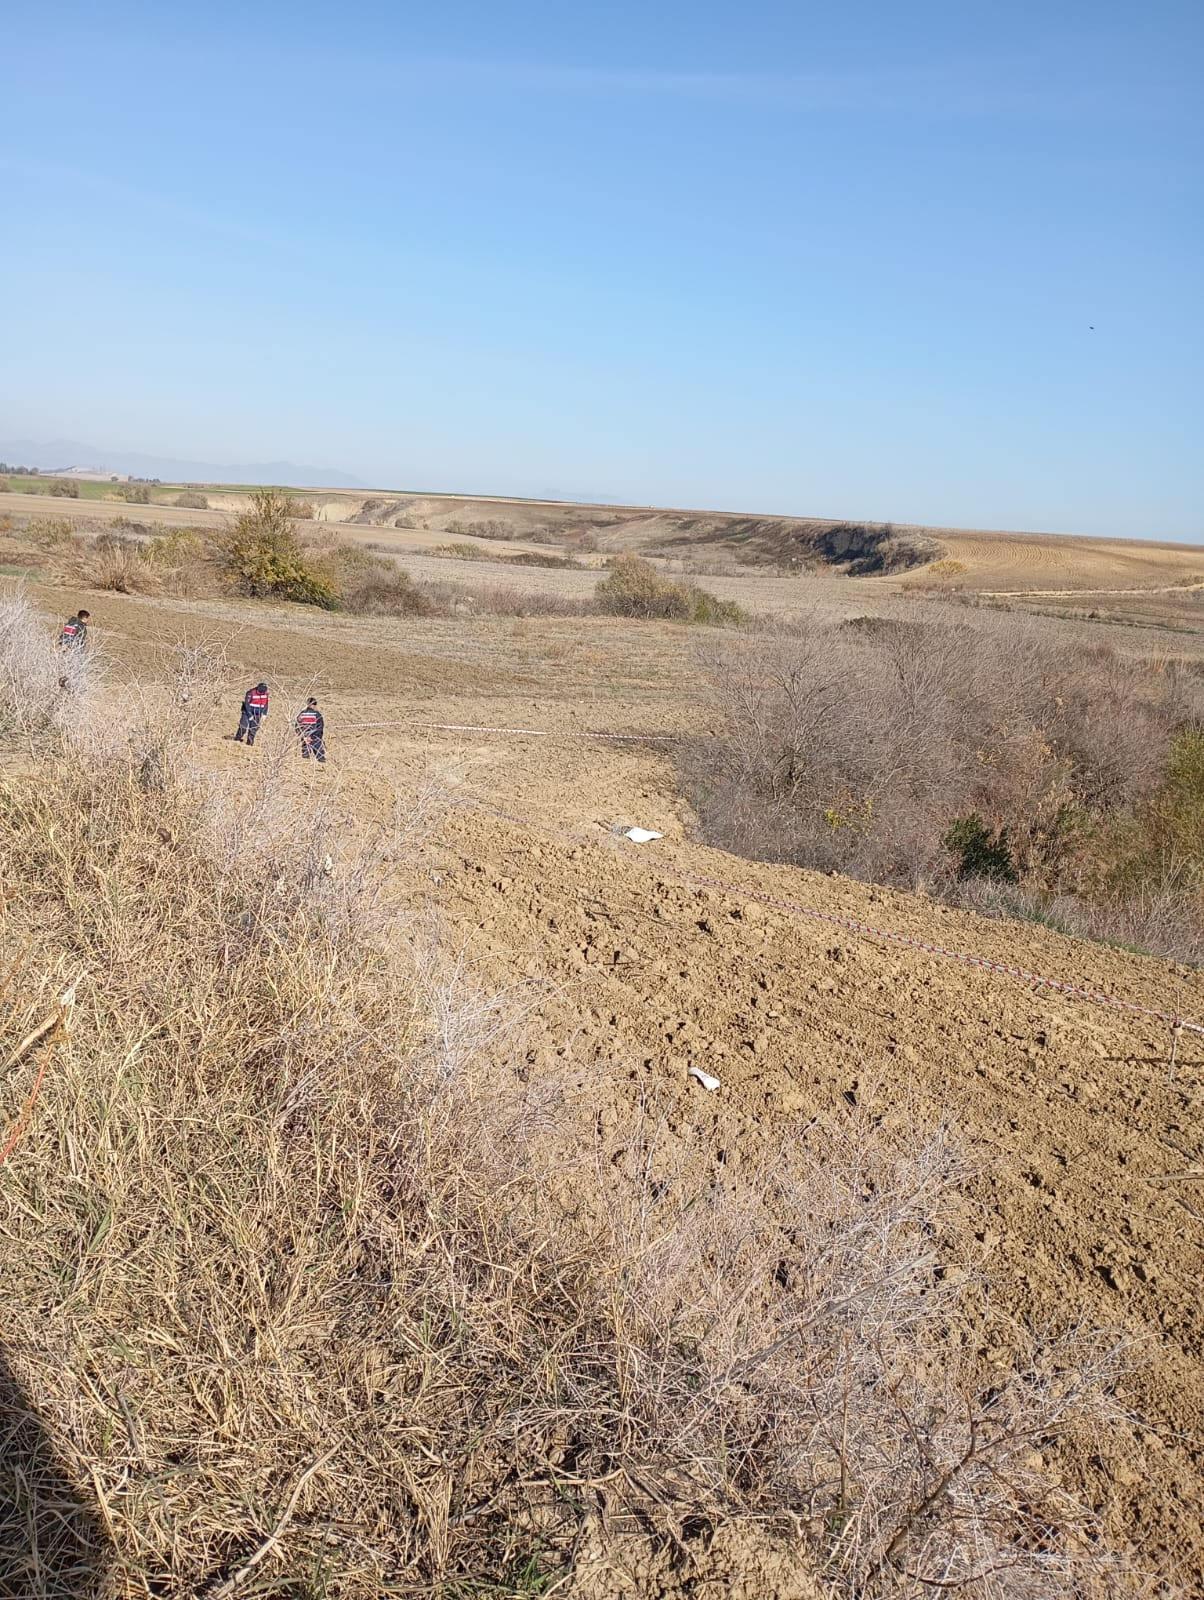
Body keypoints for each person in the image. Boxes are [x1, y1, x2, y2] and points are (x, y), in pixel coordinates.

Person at [234, 681, 269, 746]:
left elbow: (266, 704)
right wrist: (250, 715)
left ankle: (249, 743)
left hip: (257, 714)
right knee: (243, 727)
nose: (263, 692)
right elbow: (247, 704)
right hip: (247, 712)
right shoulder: (251, 693)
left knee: (253, 729)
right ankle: (237, 739)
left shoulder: (266, 694)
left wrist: (264, 713)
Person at [295, 696, 326, 762]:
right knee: (320, 755)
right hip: (314, 736)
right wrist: (318, 736)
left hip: (304, 736)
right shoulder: (317, 714)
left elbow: (297, 725)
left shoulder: (302, 714)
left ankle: (306, 759)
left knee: (305, 755)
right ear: (313, 705)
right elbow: (320, 726)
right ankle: (320, 760)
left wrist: (302, 735)